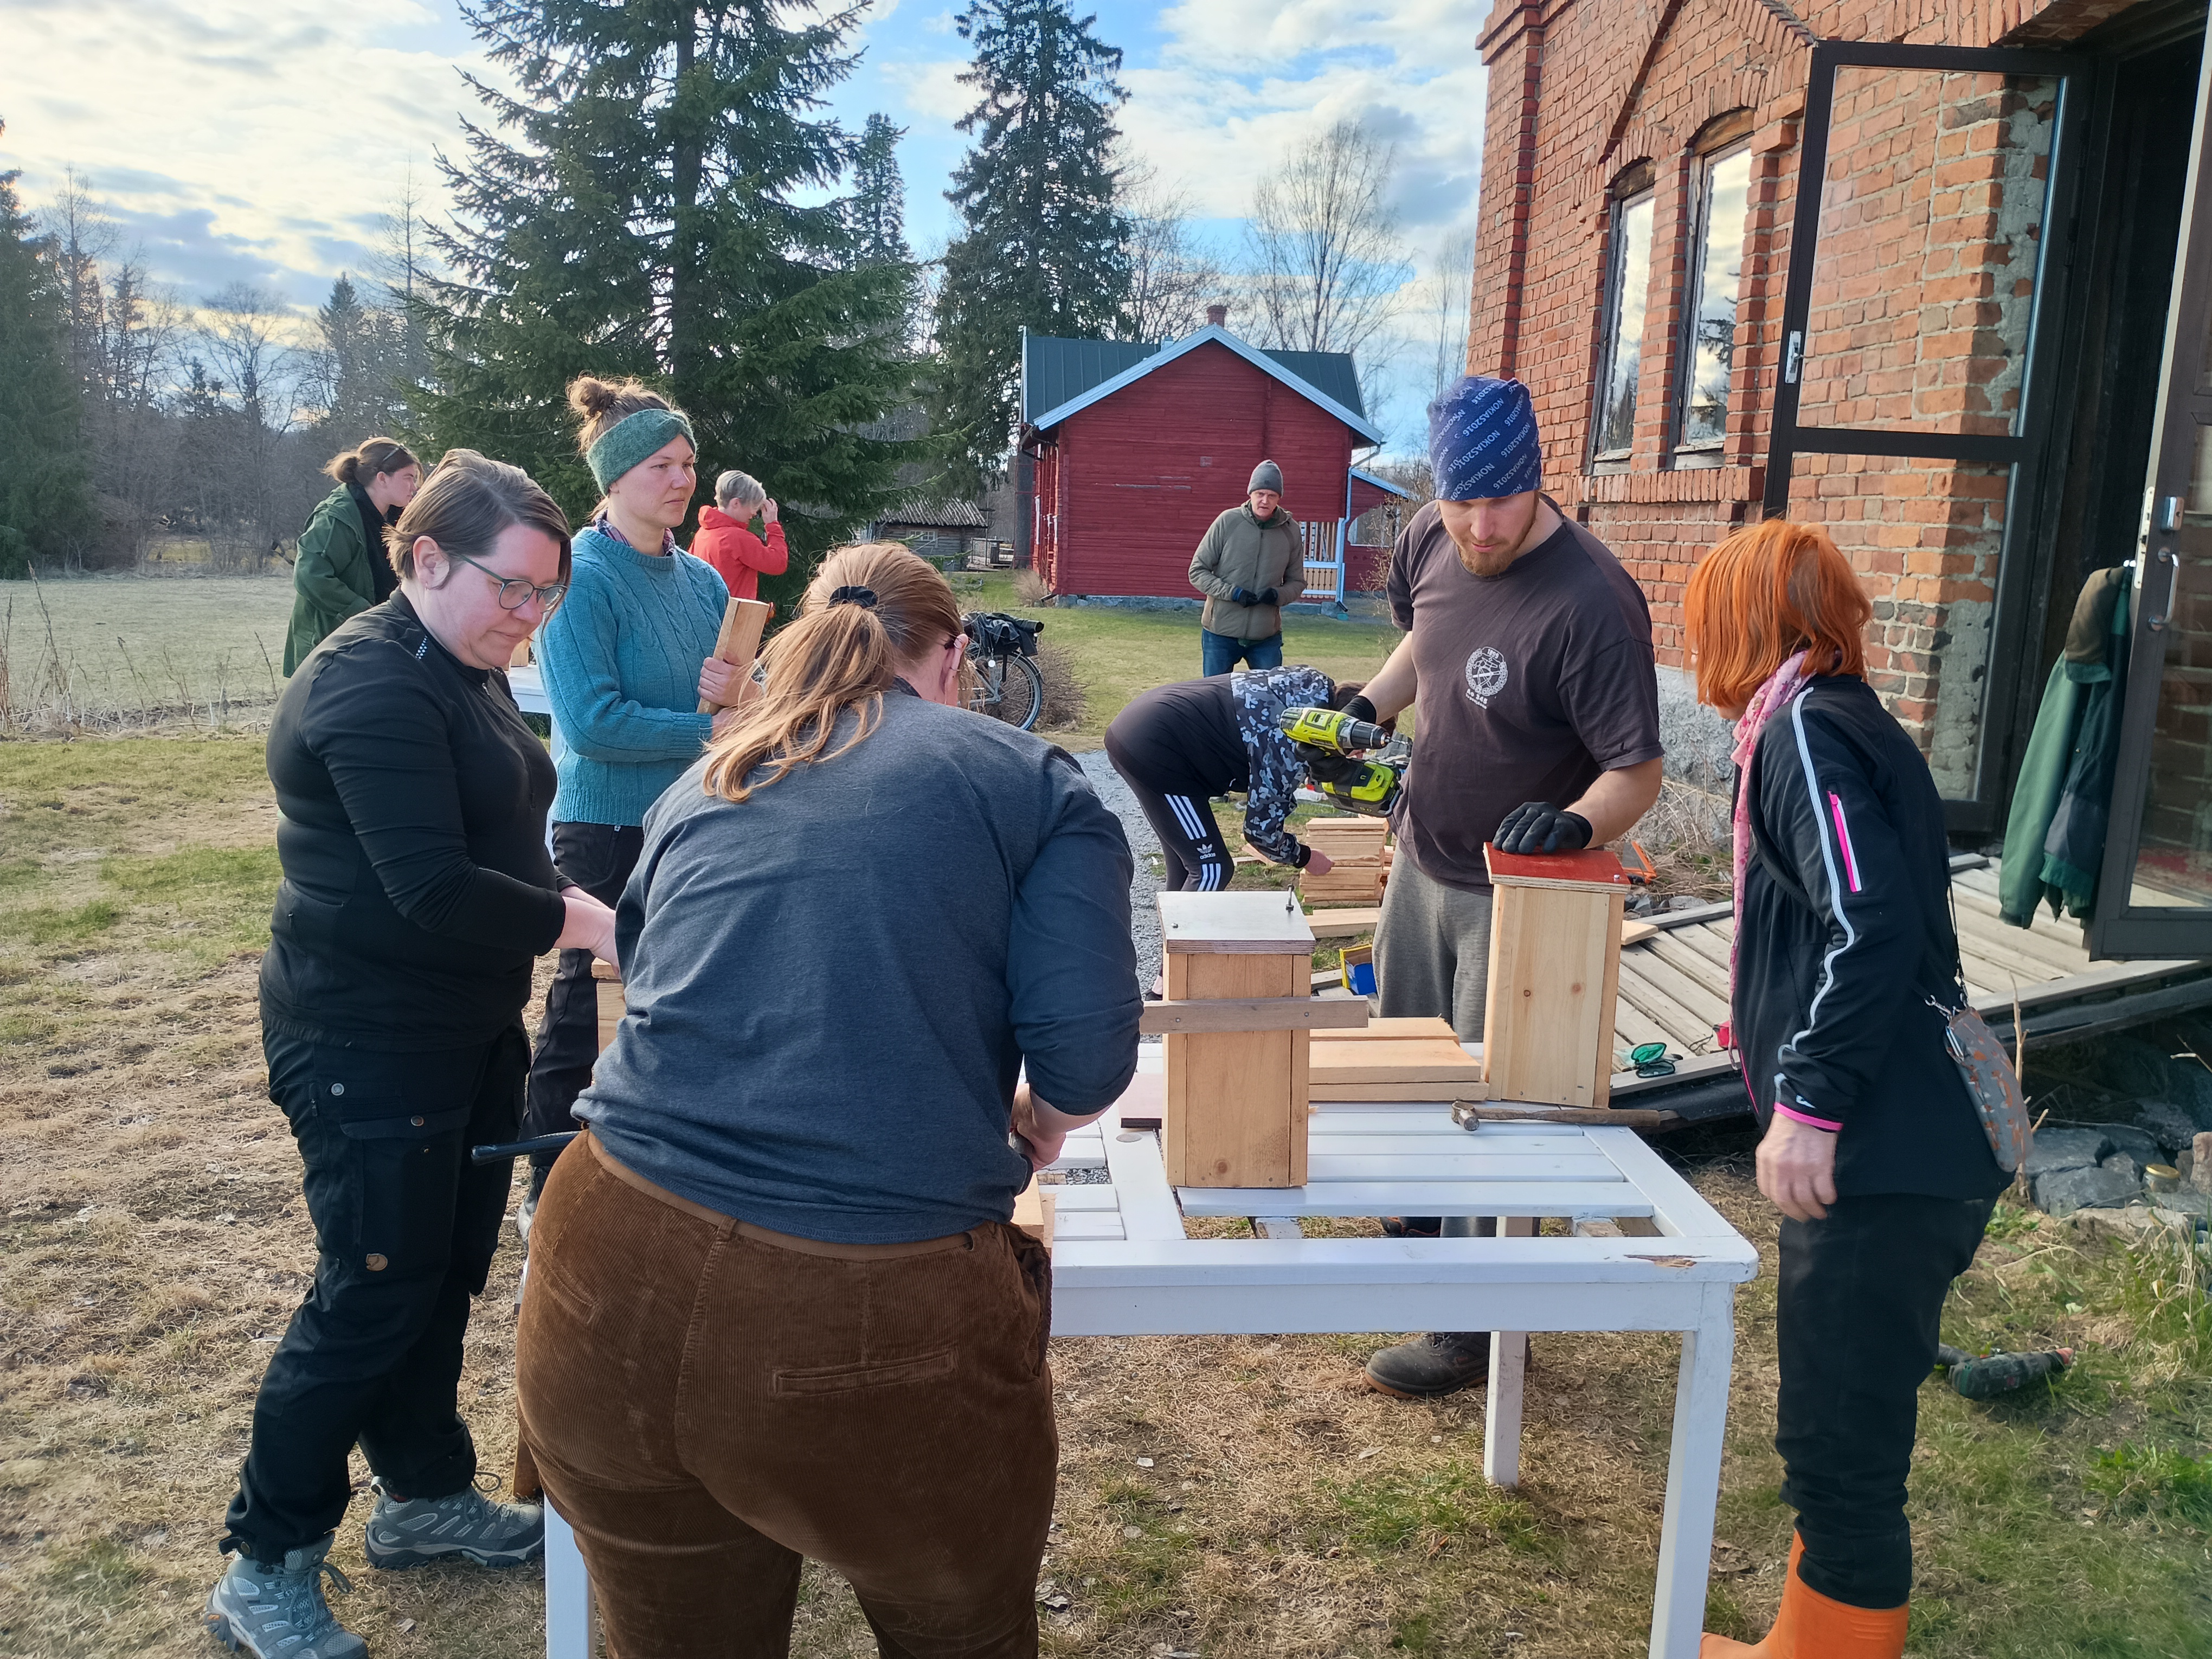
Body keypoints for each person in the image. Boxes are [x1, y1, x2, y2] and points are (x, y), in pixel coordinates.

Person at [515, 542, 1140, 1658]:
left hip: (598, 1260)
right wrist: (1041, 1126)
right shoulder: (1030, 778)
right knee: (960, 1632)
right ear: (951, 655)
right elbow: (1085, 1059)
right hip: (859, 1302)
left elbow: (651, 974)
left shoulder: (715, 772)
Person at [207, 451, 618, 1659]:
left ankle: (424, 1497)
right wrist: (592, 923)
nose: (528, 616)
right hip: (363, 1038)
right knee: (369, 1290)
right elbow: (435, 887)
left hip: (463, 1027)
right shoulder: (368, 688)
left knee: (438, 1278)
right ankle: (265, 1564)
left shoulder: (463, 661)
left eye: (547, 596)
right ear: (425, 556)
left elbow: (495, 835)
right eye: (514, 588)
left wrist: (564, 898)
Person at [1689, 521, 2004, 1659]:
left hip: (1892, 1138)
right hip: (1942, 1114)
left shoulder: (1808, 732)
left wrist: (1808, 1102)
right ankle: (1807, 1635)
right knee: (1843, 1407)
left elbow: (1868, 922)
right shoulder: (1848, 719)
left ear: (1746, 626)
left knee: (1840, 1433)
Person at [1354, 374, 1665, 1399]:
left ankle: (1476, 1328)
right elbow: (1427, 643)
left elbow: (1637, 769)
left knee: (1487, 1107)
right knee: (1403, 1074)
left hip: (1513, 898)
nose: (1481, 527)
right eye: (1461, 502)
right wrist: (1371, 706)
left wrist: (1578, 821)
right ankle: (1416, 1245)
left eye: (1502, 502)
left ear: (1540, 482)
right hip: (1420, 862)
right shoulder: (1429, 543)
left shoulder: (1592, 601)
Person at [518, 376, 737, 1233]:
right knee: (585, 1005)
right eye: (661, 465)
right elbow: (594, 723)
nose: (682, 480)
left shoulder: (701, 580)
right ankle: (549, 1194)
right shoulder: (583, 577)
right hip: (605, 828)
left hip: (694, 817)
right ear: (614, 480)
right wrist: (711, 731)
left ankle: (664, 1171)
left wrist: (745, 698)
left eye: (688, 463)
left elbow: (737, 695)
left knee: (690, 995)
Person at [1105, 666, 1375, 891]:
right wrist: (1305, 858)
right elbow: (1260, 831)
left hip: (1142, 725)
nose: (1359, 757)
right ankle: (1186, 952)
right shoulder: (1291, 745)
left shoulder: (1306, 690)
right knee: (1212, 868)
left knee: (1186, 862)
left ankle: (1172, 953)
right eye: (1358, 748)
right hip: (1155, 748)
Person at [282, 438, 421, 673]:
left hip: (374, 639)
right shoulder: (336, 518)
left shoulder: (396, 516)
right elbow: (310, 576)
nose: (415, 487)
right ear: (382, 478)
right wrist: (363, 612)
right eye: (408, 477)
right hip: (329, 647)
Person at [1189, 459, 1306, 674]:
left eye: (1272, 496)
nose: (1264, 501)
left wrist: (1277, 595)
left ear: (1279, 498)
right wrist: (1233, 593)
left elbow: (1297, 582)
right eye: (1260, 494)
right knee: (1215, 700)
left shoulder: (1291, 531)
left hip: (1265, 638)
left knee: (1271, 700)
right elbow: (1197, 571)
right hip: (1220, 633)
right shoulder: (1228, 522)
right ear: (1250, 494)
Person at [690, 467, 789, 601]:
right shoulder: (738, 538)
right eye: (753, 506)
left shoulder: (703, 533)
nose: (755, 514)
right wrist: (772, 525)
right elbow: (778, 563)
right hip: (732, 619)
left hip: (706, 614)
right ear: (736, 503)